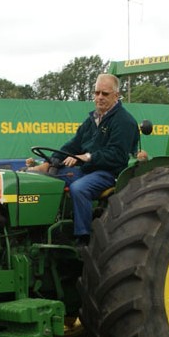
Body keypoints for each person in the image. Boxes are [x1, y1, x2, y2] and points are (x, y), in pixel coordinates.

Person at [38, 73, 139, 245]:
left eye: (105, 93)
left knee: (79, 189)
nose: (99, 97)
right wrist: (50, 162)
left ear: (116, 95)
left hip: (109, 173)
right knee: (51, 178)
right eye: (96, 93)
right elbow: (73, 145)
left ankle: (83, 238)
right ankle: (51, 229)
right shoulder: (93, 119)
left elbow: (117, 155)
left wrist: (86, 157)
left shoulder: (124, 121)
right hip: (87, 170)